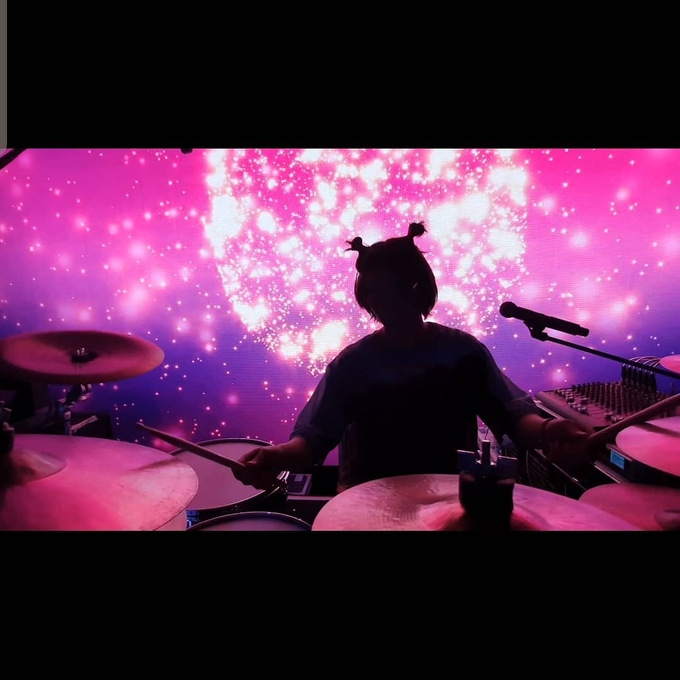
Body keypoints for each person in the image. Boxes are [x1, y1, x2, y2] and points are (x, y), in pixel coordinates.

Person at [232, 221, 593, 494]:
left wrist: (547, 430)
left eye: (397, 290)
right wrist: (276, 456)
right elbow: (312, 441)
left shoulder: (463, 352)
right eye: (375, 294)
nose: (385, 303)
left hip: (449, 501)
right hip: (366, 505)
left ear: (420, 288)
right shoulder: (351, 364)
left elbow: (512, 417)